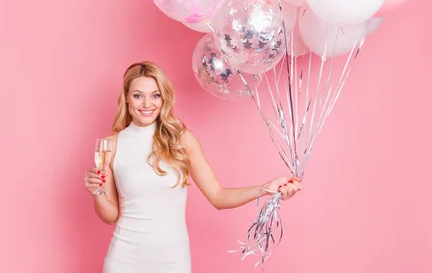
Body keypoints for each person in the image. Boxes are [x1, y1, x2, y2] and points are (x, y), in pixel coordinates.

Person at [84, 61, 302, 273]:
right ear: (127, 99)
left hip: (172, 261)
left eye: (155, 95)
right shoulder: (111, 146)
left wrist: (265, 188)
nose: (147, 104)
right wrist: (97, 191)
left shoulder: (182, 140)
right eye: (138, 95)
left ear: (163, 98)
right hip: (125, 260)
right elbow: (110, 216)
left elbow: (218, 196)